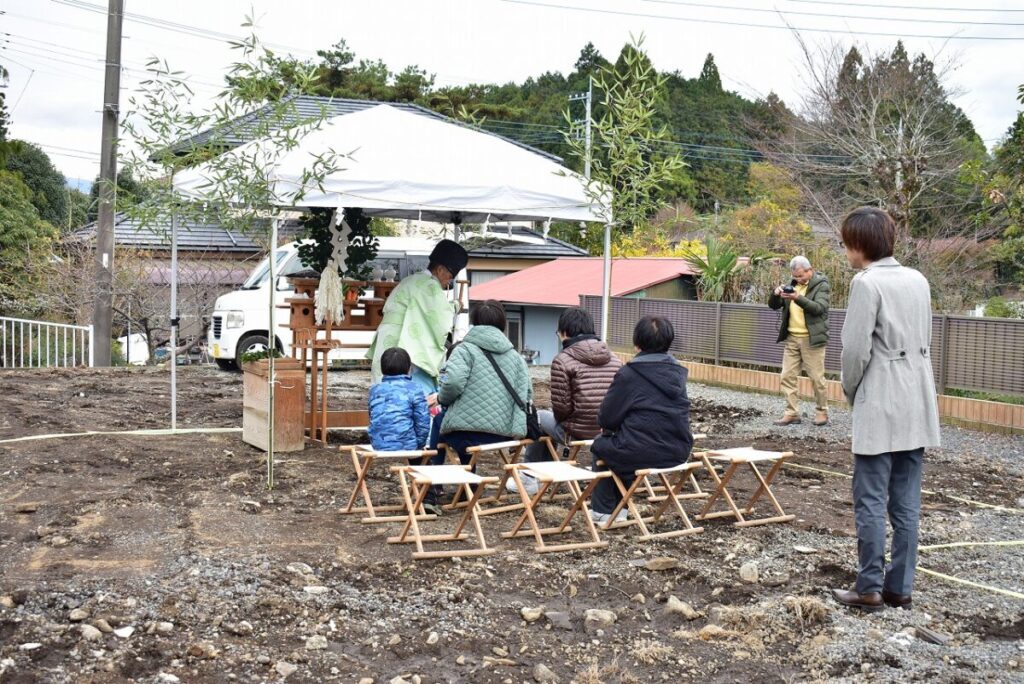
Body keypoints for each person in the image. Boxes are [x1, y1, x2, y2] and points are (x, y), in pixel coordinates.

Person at [831, 207, 940, 613]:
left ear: (859, 244)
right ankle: (901, 588)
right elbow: (924, 338)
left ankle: (869, 587)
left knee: (871, 499)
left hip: (880, 399)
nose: (845, 251)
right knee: (907, 502)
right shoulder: (918, 279)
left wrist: (851, 391)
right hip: (917, 398)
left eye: (846, 243)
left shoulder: (866, 283)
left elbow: (855, 351)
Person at [589, 316, 693, 524]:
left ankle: (605, 510)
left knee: (603, 445)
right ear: (668, 342)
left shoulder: (629, 374)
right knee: (627, 443)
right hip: (678, 451)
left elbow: (607, 418)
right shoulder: (677, 373)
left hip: (639, 452)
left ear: (637, 343)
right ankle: (620, 507)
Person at [509, 307, 621, 496]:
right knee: (546, 422)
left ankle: (530, 478)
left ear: (565, 332)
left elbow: (561, 410)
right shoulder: (615, 360)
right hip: (607, 433)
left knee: (539, 418)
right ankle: (540, 473)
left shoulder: (563, 360)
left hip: (576, 433)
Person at [436, 300, 532, 467]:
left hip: (466, 434)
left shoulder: (464, 350)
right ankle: (467, 485)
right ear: (502, 323)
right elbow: (528, 395)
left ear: (475, 322)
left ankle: (434, 481)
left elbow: (452, 383)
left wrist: (441, 399)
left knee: (439, 420)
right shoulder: (517, 358)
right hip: (506, 435)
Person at [367, 239, 469, 395]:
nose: (448, 281)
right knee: (405, 396)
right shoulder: (430, 285)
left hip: (386, 341)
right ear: (440, 270)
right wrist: (456, 305)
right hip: (402, 342)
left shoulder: (409, 280)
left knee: (384, 394)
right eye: (449, 276)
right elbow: (440, 317)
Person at [768, 255, 832, 426]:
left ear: (810, 270)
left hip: (812, 340)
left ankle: (822, 412)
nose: (797, 279)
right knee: (787, 376)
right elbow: (773, 305)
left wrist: (798, 298)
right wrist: (775, 294)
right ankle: (792, 413)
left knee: (816, 379)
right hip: (791, 338)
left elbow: (819, 308)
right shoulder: (792, 285)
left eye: (800, 276)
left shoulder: (822, 285)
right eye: (795, 276)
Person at [367, 347, 430, 452]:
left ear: (382, 368)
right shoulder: (414, 389)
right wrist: (419, 444)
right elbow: (422, 421)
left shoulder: (375, 390)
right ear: (409, 368)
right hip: (407, 445)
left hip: (378, 444)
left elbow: (372, 416)